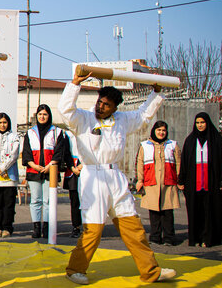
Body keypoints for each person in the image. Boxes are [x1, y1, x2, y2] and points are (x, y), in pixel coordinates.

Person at [59, 71, 176, 285]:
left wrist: (155, 93)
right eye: (100, 102)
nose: (100, 107)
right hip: (93, 177)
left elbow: (143, 116)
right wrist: (75, 83)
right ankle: (75, 269)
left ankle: (150, 271)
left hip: (116, 177)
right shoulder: (83, 118)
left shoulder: (122, 120)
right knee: (93, 229)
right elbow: (66, 110)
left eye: (106, 105)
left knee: (133, 226)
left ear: (114, 108)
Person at [177, 112, 222, 248]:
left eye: (202, 122)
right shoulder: (190, 140)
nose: (200, 125)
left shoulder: (216, 139)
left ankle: (208, 238)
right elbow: (185, 162)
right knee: (195, 210)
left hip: (211, 181)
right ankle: (195, 238)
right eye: (198, 123)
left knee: (210, 210)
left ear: (207, 123)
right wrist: (181, 180)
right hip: (193, 181)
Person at [135, 121, 181, 246]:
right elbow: (140, 163)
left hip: (168, 182)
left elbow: (178, 163)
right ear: (154, 131)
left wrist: (179, 180)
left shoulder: (172, 145)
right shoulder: (145, 145)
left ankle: (169, 237)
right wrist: (140, 180)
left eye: (163, 130)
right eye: (159, 130)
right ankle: (155, 236)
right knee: (154, 212)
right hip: (151, 182)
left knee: (167, 211)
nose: (161, 133)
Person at [21, 104, 63, 239]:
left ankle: (47, 227)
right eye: (40, 114)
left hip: (50, 171)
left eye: (45, 114)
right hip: (34, 171)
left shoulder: (57, 131)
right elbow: (26, 153)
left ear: (49, 116)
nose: (42, 117)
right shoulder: (30, 132)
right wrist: (34, 165)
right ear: (36, 116)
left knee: (48, 201)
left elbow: (59, 151)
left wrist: (50, 165)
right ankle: (36, 228)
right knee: (35, 200)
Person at [62, 129, 82, 238]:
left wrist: (82, 165)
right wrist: (72, 167)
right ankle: (76, 227)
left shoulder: (90, 131)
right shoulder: (68, 134)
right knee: (74, 201)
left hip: (88, 168)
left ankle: (91, 226)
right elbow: (66, 153)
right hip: (73, 170)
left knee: (89, 201)